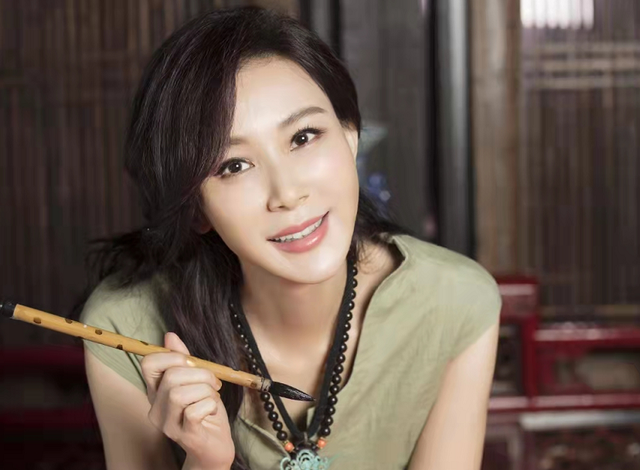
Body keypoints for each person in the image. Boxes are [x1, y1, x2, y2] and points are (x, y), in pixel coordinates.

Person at [77, 6, 501, 470]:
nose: (287, 194)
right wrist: (206, 462)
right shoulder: (123, 329)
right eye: (233, 165)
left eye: (303, 137)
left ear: (350, 135)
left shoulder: (454, 302)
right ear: (196, 208)